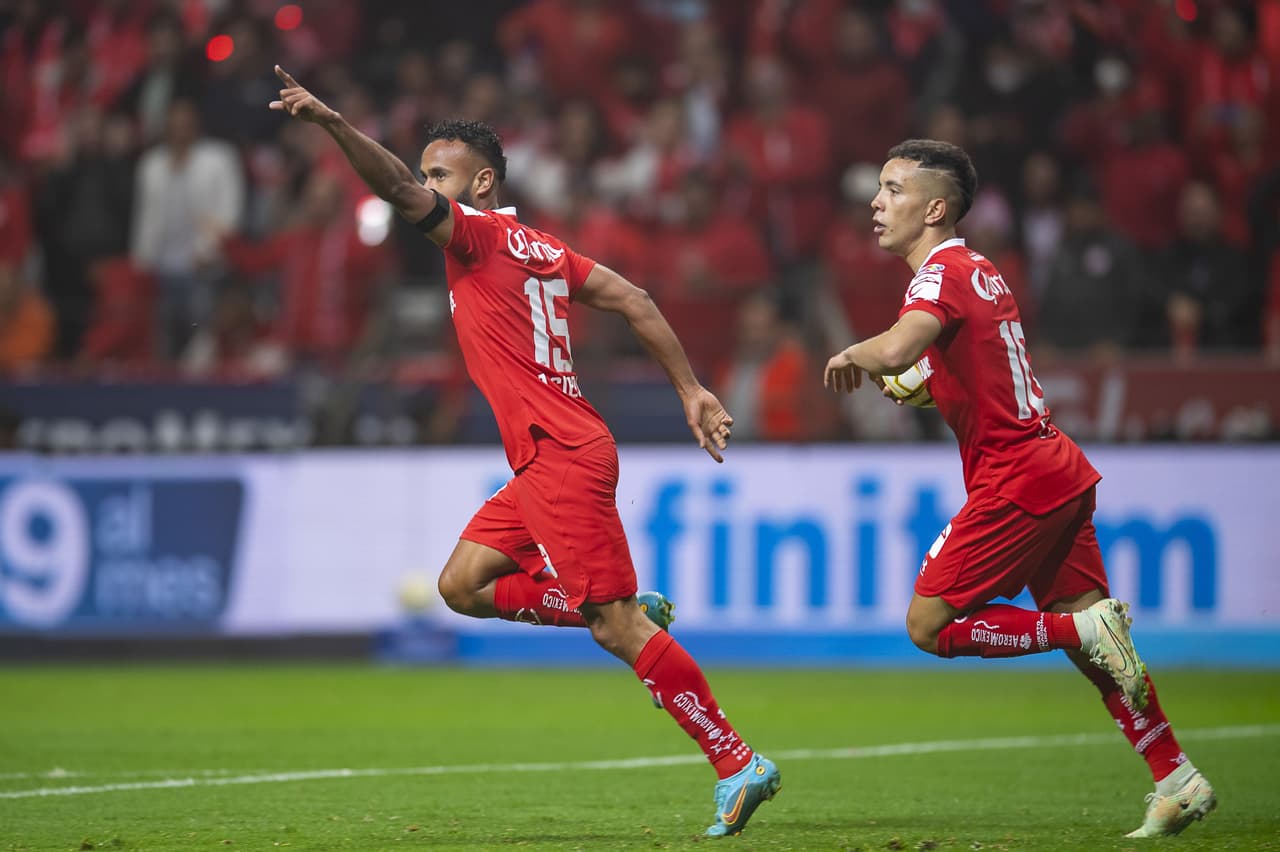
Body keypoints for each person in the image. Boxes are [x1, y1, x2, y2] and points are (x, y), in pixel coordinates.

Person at [268, 66, 780, 838]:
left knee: (616, 630)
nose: (428, 185)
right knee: (464, 583)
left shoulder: (475, 234)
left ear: (480, 182)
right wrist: (690, 391)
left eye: (441, 173)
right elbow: (637, 300)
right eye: (429, 172)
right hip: (554, 452)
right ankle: (622, 613)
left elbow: (399, 191)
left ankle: (736, 762)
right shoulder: (543, 248)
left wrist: (336, 125)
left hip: (560, 451)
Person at [822, 140, 1216, 839]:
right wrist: (922, 382)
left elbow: (899, 346)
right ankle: (1176, 778)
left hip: (1016, 478)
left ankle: (1082, 627)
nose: (877, 204)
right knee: (1099, 654)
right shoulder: (980, 269)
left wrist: (859, 353)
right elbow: (963, 365)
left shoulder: (936, 276)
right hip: (1054, 466)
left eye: (892, 189)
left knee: (928, 626)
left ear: (935, 207)